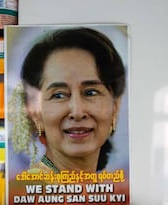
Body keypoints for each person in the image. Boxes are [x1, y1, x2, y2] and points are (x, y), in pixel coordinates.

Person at [8, 26, 127, 176]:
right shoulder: (20, 194)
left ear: (115, 106)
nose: (77, 112)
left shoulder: (121, 190)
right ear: (34, 112)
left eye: (91, 92)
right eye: (59, 95)